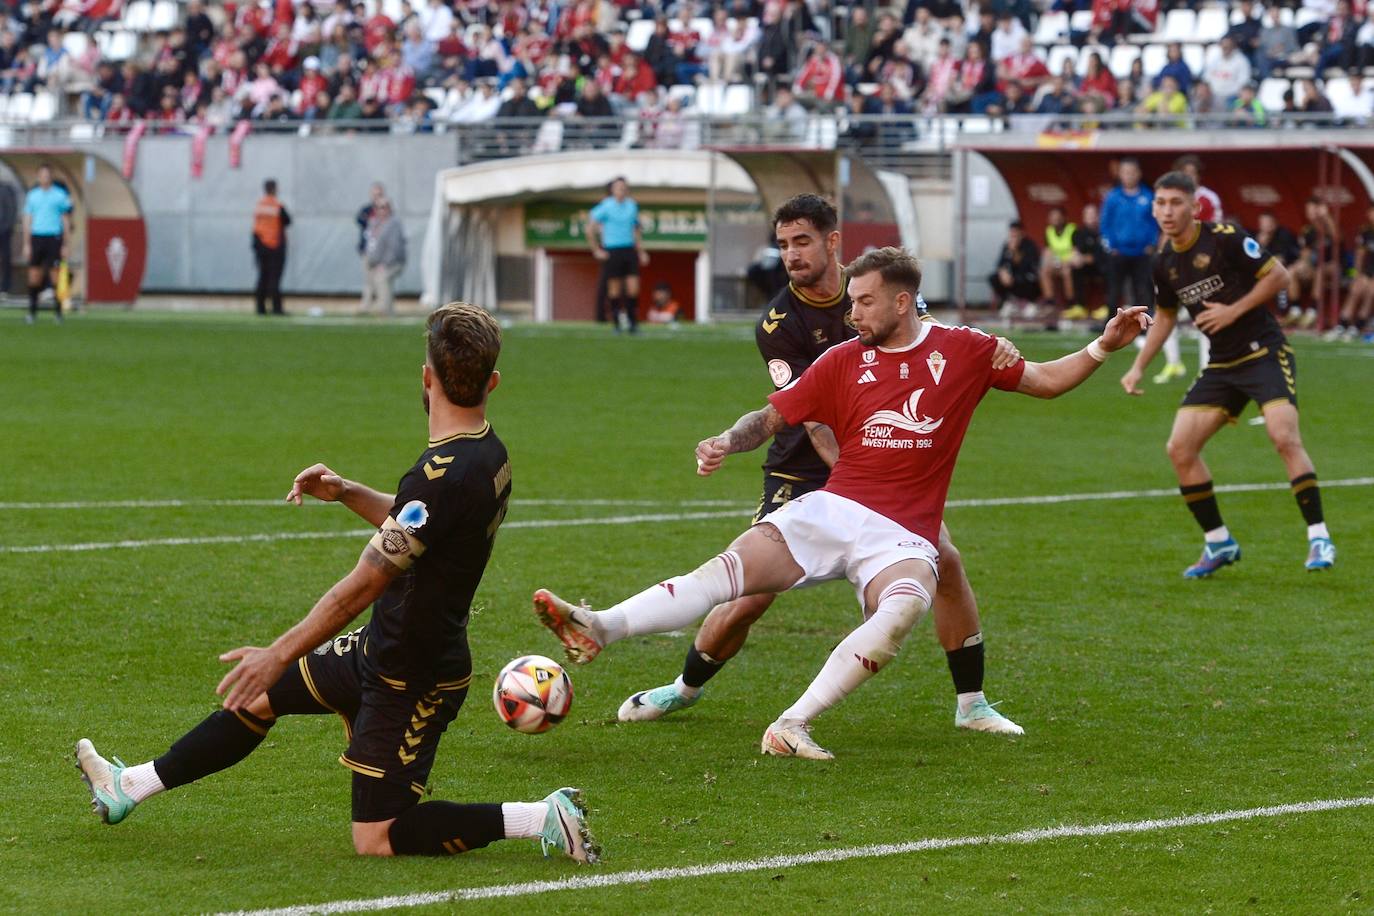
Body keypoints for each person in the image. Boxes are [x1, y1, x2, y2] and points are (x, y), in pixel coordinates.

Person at [534, 251, 1151, 759]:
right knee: (725, 576)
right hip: (831, 508)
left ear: (902, 301)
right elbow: (772, 415)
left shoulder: (966, 349)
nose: (852, 313)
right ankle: (602, 625)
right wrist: (727, 439)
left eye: (864, 301)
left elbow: (1045, 381)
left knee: (906, 604)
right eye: (851, 301)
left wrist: (1103, 347)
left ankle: (793, 723)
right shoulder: (841, 360)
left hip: (903, 533)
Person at [75, 303, 599, 863]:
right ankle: (128, 787)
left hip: (412, 674)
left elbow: (361, 585)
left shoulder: (440, 476)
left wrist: (279, 652)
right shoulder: (488, 453)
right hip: (383, 646)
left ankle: (542, 817)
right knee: (257, 699)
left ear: (426, 378)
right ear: (491, 382)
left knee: (377, 837)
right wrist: (348, 491)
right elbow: (418, 527)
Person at [615, 195, 1024, 737]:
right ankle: (684, 688)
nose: (790, 254)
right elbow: (809, 419)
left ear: (833, 241)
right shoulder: (778, 323)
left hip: (876, 461)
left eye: (801, 241)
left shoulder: (876, 285)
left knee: (946, 559)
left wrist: (997, 349)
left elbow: (926, 341)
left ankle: (971, 703)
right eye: (782, 244)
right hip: (806, 467)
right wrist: (858, 490)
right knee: (750, 597)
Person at [1119, 171, 1336, 578]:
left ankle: (1319, 536)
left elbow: (1279, 277)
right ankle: (1219, 542)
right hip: (1221, 363)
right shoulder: (1163, 261)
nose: (1167, 210)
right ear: (1153, 209)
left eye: (1176, 202)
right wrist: (1137, 366)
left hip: (1263, 352)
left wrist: (1233, 310)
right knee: (1179, 449)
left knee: (1283, 436)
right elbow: (1164, 317)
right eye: (1161, 203)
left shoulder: (1225, 237)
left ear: (1194, 206)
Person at [587, 177, 648, 333]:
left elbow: (636, 230)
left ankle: (633, 323)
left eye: (623, 187)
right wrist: (596, 250)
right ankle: (617, 324)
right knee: (614, 290)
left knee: (633, 288)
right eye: (618, 187)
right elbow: (590, 228)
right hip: (612, 251)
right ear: (612, 190)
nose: (621, 190)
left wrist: (641, 251)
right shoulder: (606, 206)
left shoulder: (632, 206)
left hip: (629, 250)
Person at [22, 163, 73, 325]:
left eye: (47, 175)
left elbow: (65, 220)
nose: (45, 177)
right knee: (34, 276)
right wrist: (27, 243)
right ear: (38, 177)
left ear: (51, 177)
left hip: (54, 238)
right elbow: (27, 220)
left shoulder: (59, 195)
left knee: (55, 276)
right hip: (37, 237)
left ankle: (58, 313)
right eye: (42, 175)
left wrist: (65, 244)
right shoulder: (32, 196)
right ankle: (32, 312)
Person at [1326, 203, 1374, 341]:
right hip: (1368, 271)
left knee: (1371, 289)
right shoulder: (1366, 231)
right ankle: (1342, 325)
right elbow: (1360, 255)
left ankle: (1357, 326)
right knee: (1357, 288)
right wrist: (1357, 275)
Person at [360, 199, 406, 315]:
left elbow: (394, 248)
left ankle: (384, 310)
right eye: (379, 207)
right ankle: (368, 308)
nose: (382, 210)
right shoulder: (374, 223)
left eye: (384, 207)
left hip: (393, 262)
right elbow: (371, 242)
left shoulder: (393, 224)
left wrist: (384, 263)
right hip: (375, 261)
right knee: (370, 281)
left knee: (381, 278)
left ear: (389, 208)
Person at [252, 178, 290, 316]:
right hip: (275, 245)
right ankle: (276, 307)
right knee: (275, 278)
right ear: (274, 189)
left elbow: (256, 227)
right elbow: (287, 221)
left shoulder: (259, 205)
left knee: (262, 276)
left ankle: (260, 307)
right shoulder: (277, 205)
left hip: (260, 244)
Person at [988, 219, 1040, 315]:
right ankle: (1009, 303)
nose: (1013, 236)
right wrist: (1003, 273)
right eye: (1011, 233)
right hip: (1011, 278)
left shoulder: (1029, 245)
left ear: (1022, 233)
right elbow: (1000, 264)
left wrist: (1014, 251)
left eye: (1016, 233)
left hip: (1026, 278)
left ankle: (1030, 304)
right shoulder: (1006, 245)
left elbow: (1026, 265)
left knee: (1026, 280)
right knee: (993, 278)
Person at [1039, 206, 1076, 317]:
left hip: (1070, 264)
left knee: (1067, 272)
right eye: (1053, 218)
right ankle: (1050, 303)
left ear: (1063, 218)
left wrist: (1066, 262)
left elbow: (1075, 252)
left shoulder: (1072, 230)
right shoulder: (1049, 231)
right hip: (1056, 264)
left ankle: (1071, 304)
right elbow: (1047, 251)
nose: (1055, 220)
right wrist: (1048, 263)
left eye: (1058, 217)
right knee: (1044, 271)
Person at [0, 178, 17, 296]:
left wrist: (7, 227)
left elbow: (12, 210)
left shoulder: (6, 189)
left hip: (4, 232)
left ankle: (4, 289)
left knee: (6, 259)